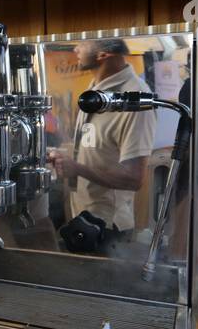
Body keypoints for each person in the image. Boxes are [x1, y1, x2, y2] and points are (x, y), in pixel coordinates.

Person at [48, 39, 155, 236]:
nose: (75, 48)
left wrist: (77, 168)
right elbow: (95, 146)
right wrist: (63, 156)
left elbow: (134, 179)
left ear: (104, 54)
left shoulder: (134, 99)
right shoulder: (96, 89)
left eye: (83, 43)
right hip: (81, 217)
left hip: (108, 227)